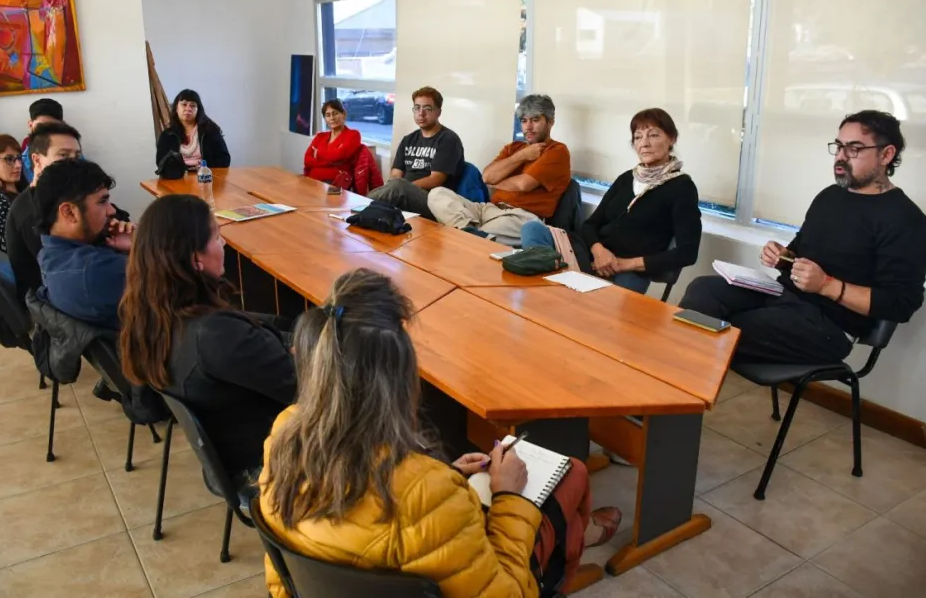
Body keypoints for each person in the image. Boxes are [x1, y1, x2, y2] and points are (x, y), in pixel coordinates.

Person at [258, 268, 621, 598]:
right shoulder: (426, 494)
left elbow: (283, 570)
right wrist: (510, 497)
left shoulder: (283, 438)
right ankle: (579, 538)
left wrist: (446, 474)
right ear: (399, 380)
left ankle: (580, 533)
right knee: (573, 473)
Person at [680, 110, 926, 365]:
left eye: (854, 149)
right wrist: (781, 256)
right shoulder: (830, 196)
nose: (841, 157)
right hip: (783, 295)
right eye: (839, 147)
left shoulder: (905, 219)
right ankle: (680, 380)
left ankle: (683, 380)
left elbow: (900, 304)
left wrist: (826, 285)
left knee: (727, 329)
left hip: (829, 325)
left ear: (886, 155)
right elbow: (799, 251)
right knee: (703, 291)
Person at [120, 194, 297, 478]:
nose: (223, 244)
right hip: (270, 461)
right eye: (216, 237)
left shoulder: (149, 311)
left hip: (231, 447)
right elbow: (306, 389)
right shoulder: (217, 334)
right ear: (195, 259)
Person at [520, 108, 701, 294]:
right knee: (531, 229)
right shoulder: (626, 179)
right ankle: (559, 288)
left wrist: (623, 264)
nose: (644, 143)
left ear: (671, 139)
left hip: (630, 271)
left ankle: (561, 286)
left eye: (653, 135)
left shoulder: (682, 187)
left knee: (612, 304)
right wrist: (599, 251)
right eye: (638, 137)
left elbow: (687, 252)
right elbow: (590, 225)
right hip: (589, 256)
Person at [427, 94, 570, 244]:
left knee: (480, 233)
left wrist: (495, 182)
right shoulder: (514, 148)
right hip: (489, 209)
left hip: (522, 218)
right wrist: (521, 155)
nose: (528, 127)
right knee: (437, 194)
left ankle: (472, 235)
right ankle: (469, 231)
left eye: (535, 120)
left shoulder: (557, 151)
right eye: (524, 121)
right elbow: (487, 177)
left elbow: (523, 184)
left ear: (550, 122)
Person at [35, 159, 133, 330]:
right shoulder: (95, 270)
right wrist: (143, 243)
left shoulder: (50, 254)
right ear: (69, 212)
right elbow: (179, 280)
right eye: (102, 201)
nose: (112, 210)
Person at [6, 122, 86, 298]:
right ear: (37, 160)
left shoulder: (64, 195)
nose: (74, 163)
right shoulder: (31, 211)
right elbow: (62, 269)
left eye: (77, 156)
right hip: (49, 299)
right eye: (64, 155)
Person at [367, 86, 464, 219]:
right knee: (387, 197)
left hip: (434, 202)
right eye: (417, 108)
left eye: (427, 108)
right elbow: (395, 173)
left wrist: (404, 189)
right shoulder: (408, 139)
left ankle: (360, 207)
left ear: (438, 112)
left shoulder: (448, 139)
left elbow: (436, 179)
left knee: (395, 188)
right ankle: (361, 209)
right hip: (404, 195)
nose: (421, 113)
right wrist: (398, 189)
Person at [156, 89, 231, 170]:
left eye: (192, 105)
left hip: (206, 174)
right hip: (179, 176)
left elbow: (224, 159)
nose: (188, 109)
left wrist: (205, 169)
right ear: (176, 108)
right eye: (184, 104)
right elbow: (161, 162)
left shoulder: (210, 130)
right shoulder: (167, 135)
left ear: (198, 110)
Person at [303, 99, 362, 189]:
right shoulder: (320, 137)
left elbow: (339, 155)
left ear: (344, 114)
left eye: (335, 113)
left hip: (335, 184)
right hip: (311, 180)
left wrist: (318, 154)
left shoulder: (353, 135)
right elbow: (307, 160)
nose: (332, 118)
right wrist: (331, 162)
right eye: (328, 115)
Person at [20, 98, 81, 182]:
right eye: (41, 126)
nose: (48, 132)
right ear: (30, 125)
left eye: (54, 126)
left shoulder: (74, 152)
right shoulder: (19, 163)